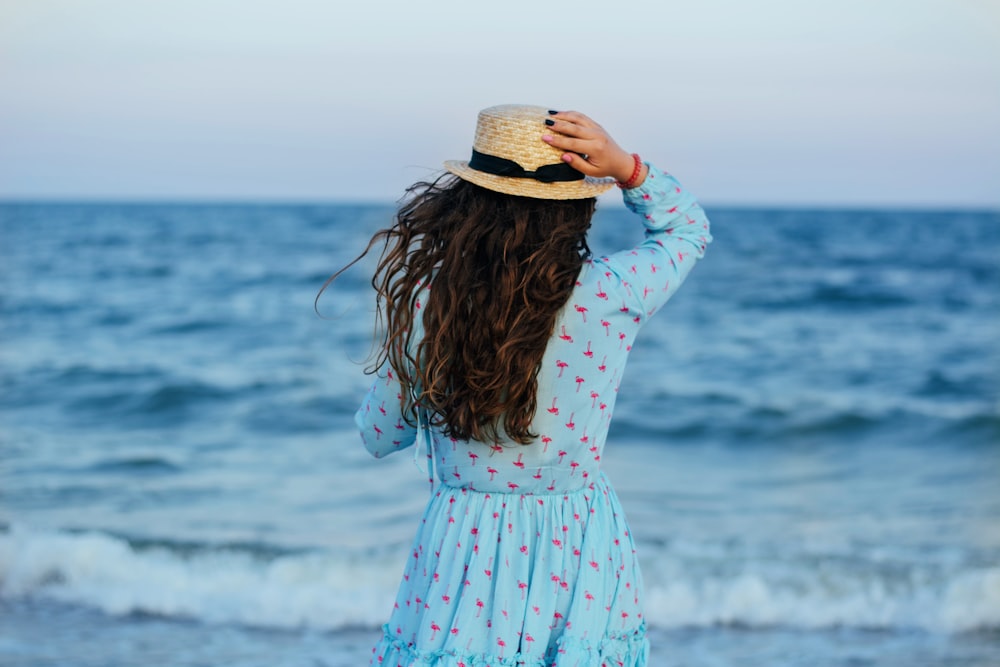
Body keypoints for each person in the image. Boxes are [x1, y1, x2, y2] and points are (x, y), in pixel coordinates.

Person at [344, 105, 711, 666]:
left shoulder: (430, 302)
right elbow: (688, 229)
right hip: (577, 542)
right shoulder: (613, 292)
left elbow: (378, 435)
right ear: (577, 208)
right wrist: (626, 167)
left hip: (462, 549)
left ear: (467, 205)